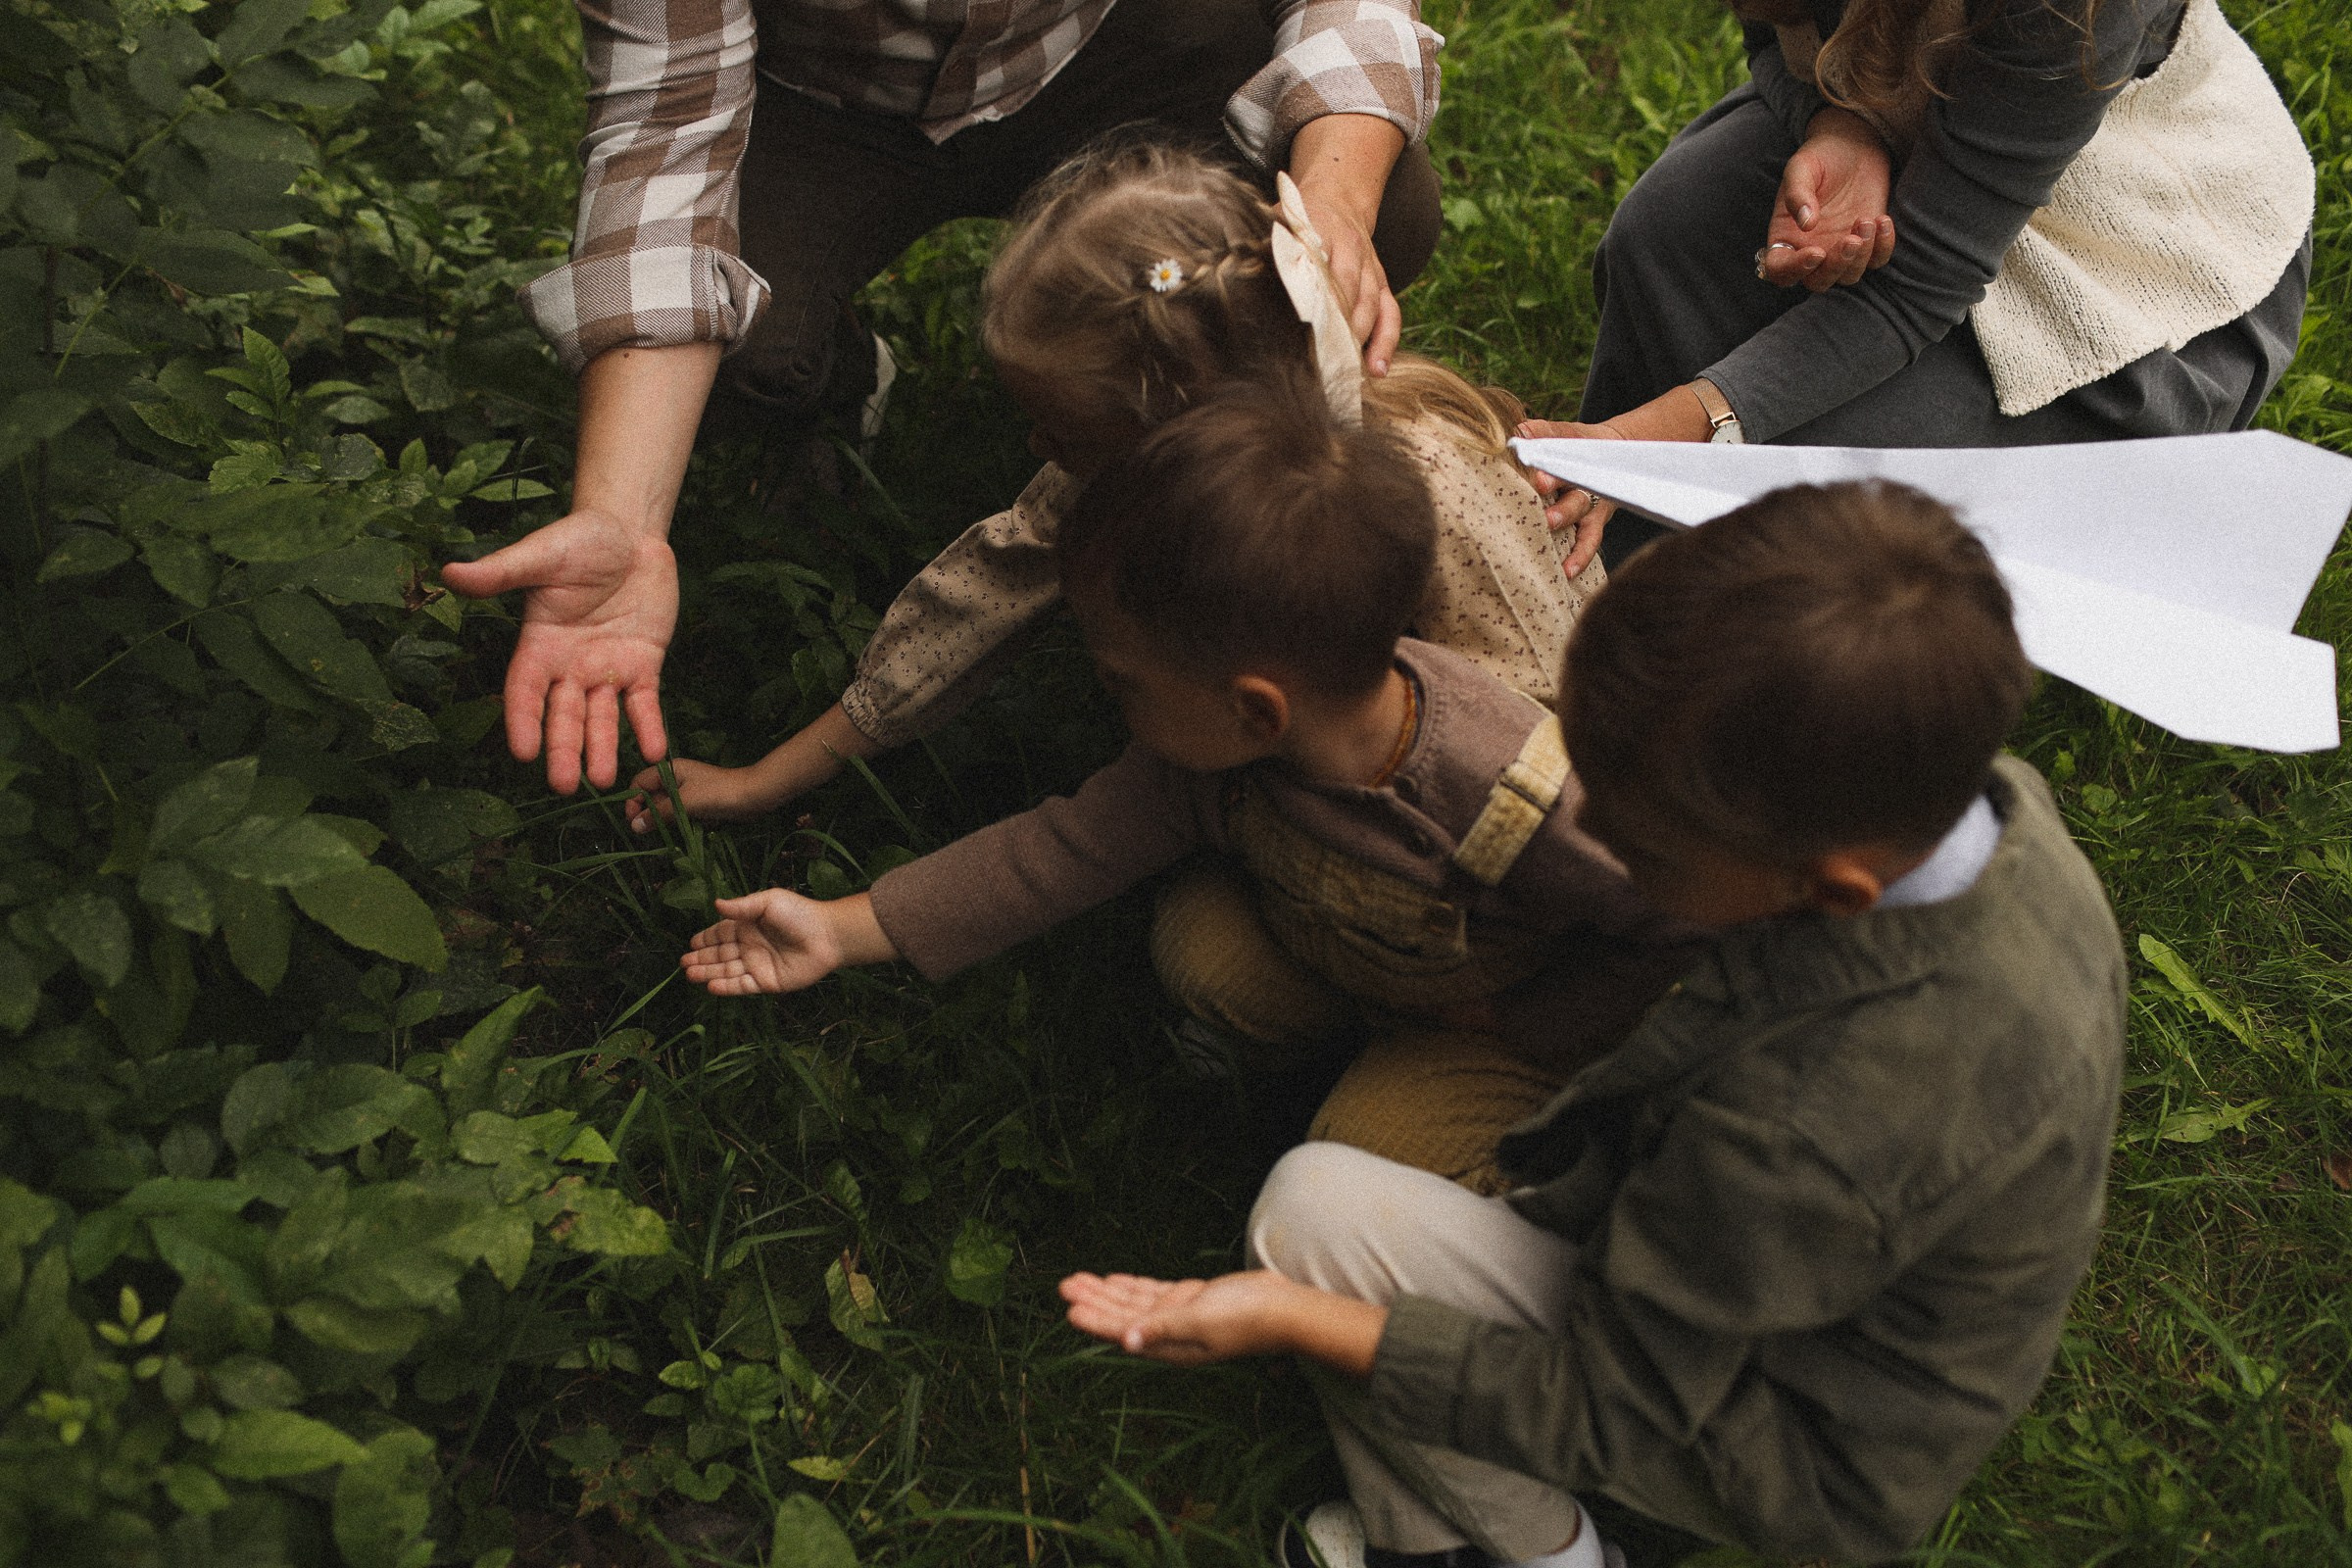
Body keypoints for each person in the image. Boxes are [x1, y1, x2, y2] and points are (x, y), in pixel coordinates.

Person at [1059, 481, 2129, 1567]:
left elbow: (1608, 1405)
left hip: (1793, 1443)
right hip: (1822, 1306)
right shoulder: (1980, 804)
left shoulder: (1800, 1131)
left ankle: (1531, 1554)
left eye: (1650, 854)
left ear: (1833, 887)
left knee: (1315, 1222)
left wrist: (1292, 1317)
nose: (1602, 841)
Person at [678, 383, 1692, 1193]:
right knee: (1200, 952)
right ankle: (1354, 1042)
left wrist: (1521, 1027)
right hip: (1377, 961)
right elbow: (1055, 852)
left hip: (1514, 1012)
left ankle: (1568, 1165)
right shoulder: (1226, 758)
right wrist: (837, 929)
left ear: (1256, 709)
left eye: (1124, 682)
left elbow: (1665, 924)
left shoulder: (1510, 783)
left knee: (1360, 1155)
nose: (1111, 702)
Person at [440, 0, 1450, 796]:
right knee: (742, 359)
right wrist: (622, 516)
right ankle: (838, 379)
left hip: (1103, 38)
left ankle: (1177, 435)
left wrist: (1330, 215)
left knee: (1386, 197)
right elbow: (664, 131)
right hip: (822, 97)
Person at [622, 142, 1606, 834]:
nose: (1037, 445)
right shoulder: (1129, 472)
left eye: (1068, 430)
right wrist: (767, 780)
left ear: (1175, 426)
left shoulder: (1422, 485)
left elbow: (1553, 711)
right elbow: (970, 603)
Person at [1523, 0, 2315, 546]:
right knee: (1669, 232)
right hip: (1928, 117)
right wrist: (1842, 122)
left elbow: (1917, 287)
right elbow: (1782, 32)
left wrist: (1670, 426)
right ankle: (1607, 538)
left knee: (1838, 487)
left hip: (2134, 246)